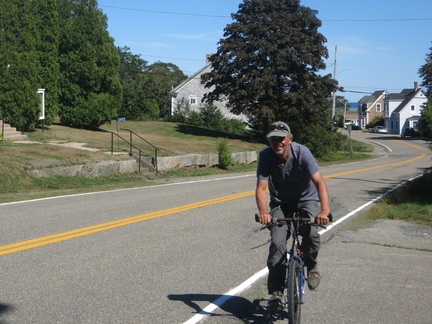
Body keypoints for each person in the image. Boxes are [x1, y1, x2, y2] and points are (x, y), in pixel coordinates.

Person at [255, 121, 331, 308]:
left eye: (281, 138)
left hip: (307, 200)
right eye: (273, 139)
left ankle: (311, 265)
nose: (277, 142)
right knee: (277, 243)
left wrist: (324, 211)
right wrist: (264, 212)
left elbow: (319, 182)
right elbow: (261, 188)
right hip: (281, 203)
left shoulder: (302, 152)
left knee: (311, 232)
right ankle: (276, 293)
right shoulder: (265, 156)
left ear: (290, 139)